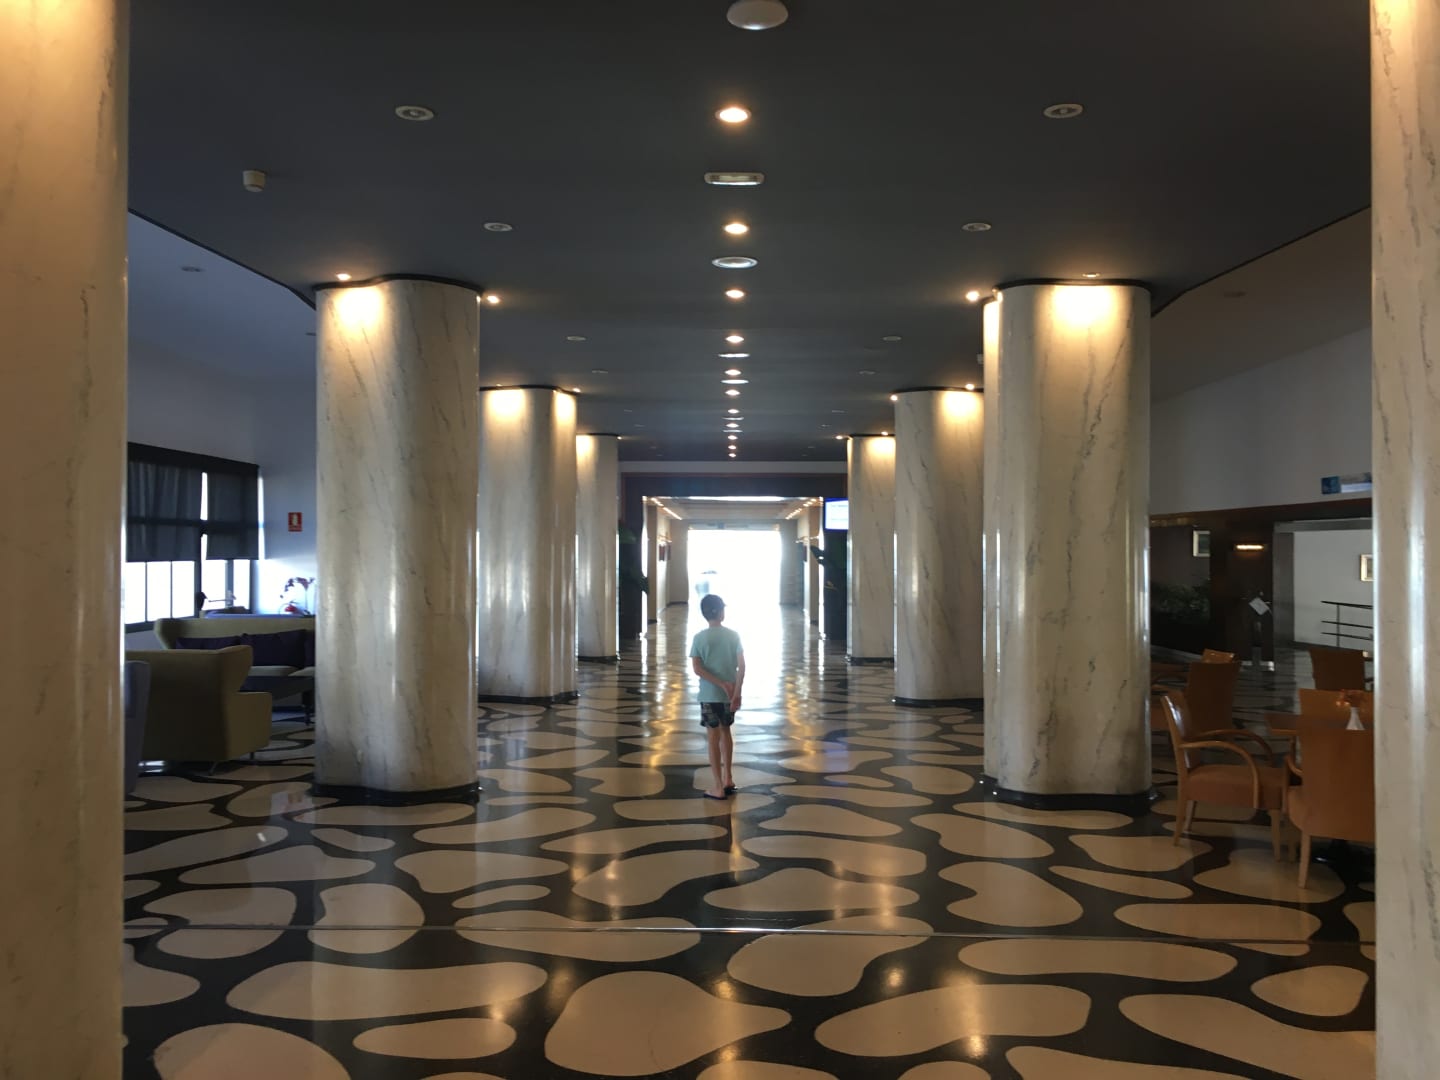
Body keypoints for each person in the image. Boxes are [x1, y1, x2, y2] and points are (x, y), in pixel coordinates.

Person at [689, 592, 744, 799]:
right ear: (721, 612)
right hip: (728, 696)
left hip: (709, 695)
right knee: (726, 732)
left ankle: (718, 786)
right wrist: (736, 691)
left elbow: (697, 668)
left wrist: (719, 683)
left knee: (713, 738)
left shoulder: (699, 638)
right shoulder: (733, 636)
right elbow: (742, 667)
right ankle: (729, 778)